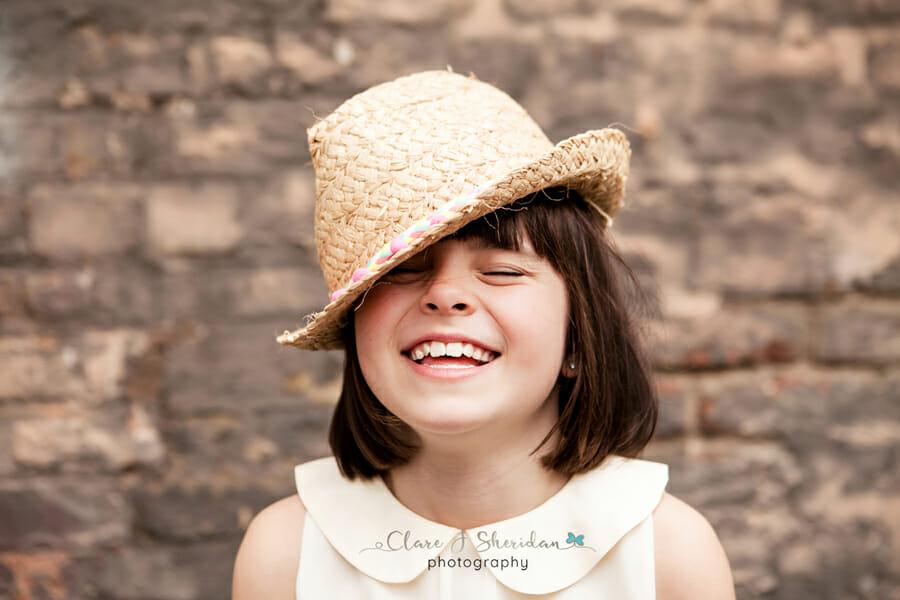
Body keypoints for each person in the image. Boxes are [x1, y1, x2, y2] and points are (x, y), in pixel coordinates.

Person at [232, 70, 734, 599]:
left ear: (578, 334)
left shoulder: (667, 557)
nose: (445, 294)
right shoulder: (285, 555)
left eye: (502, 270)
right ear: (355, 323)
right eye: (402, 269)